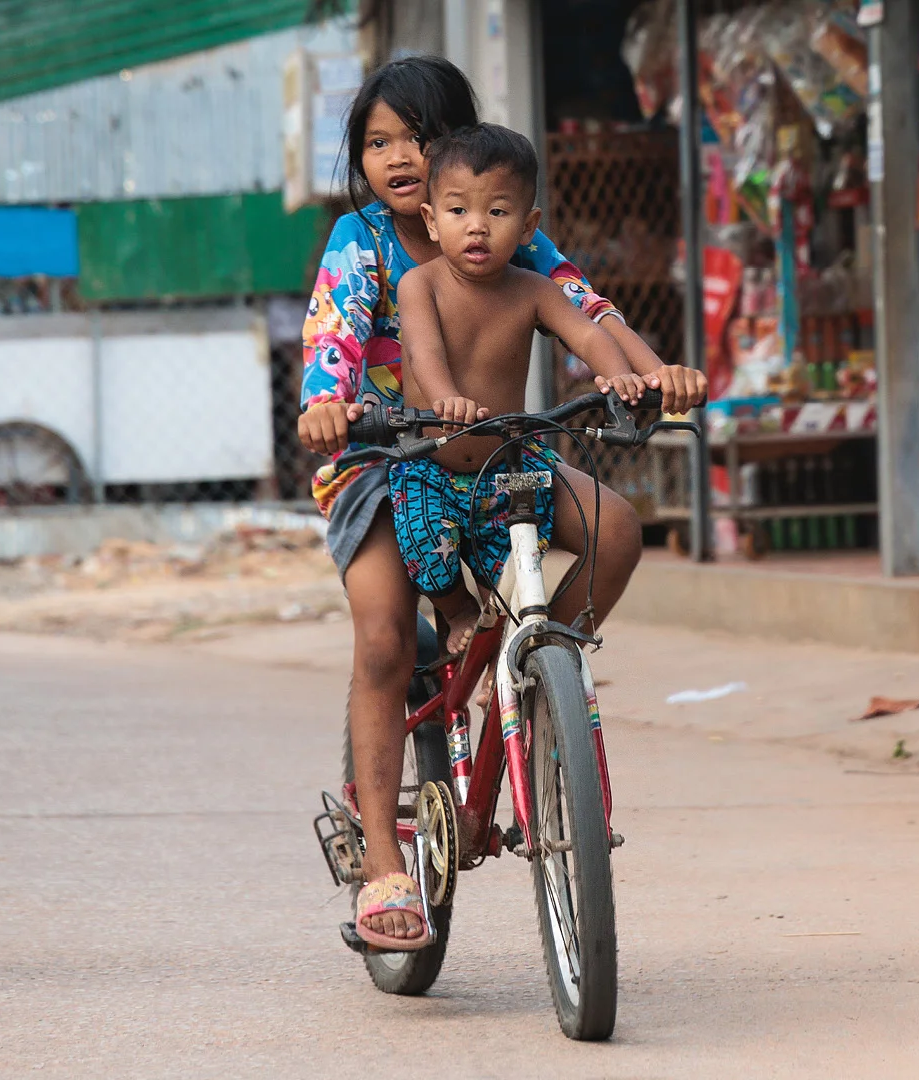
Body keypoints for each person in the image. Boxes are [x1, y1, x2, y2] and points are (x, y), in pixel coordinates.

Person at [293, 56, 705, 950]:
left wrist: (654, 374)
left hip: (506, 455)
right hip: (381, 456)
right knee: (385, 639)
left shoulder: (505, 233)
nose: (399, 158)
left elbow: (589, 310)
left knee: (618, 529)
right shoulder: (361, 244)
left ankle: (533, 661)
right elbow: (333, 339)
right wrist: (326, 404)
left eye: (418, 138)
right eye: (377, 141)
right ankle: (381, 868)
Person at [390, 122, 647, 677]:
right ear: (432, 222)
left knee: (516, 578)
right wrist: (447, 400)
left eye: (498, 213)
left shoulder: (534, 290)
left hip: (510, 462)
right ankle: (458, 615)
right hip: (431, 461)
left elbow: (587, 335)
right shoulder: (421, 285)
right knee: (424, 545)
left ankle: (533, 666)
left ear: (528, 226)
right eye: (459, 212)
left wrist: (619, 378)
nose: (477, 227)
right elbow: (425, 354)